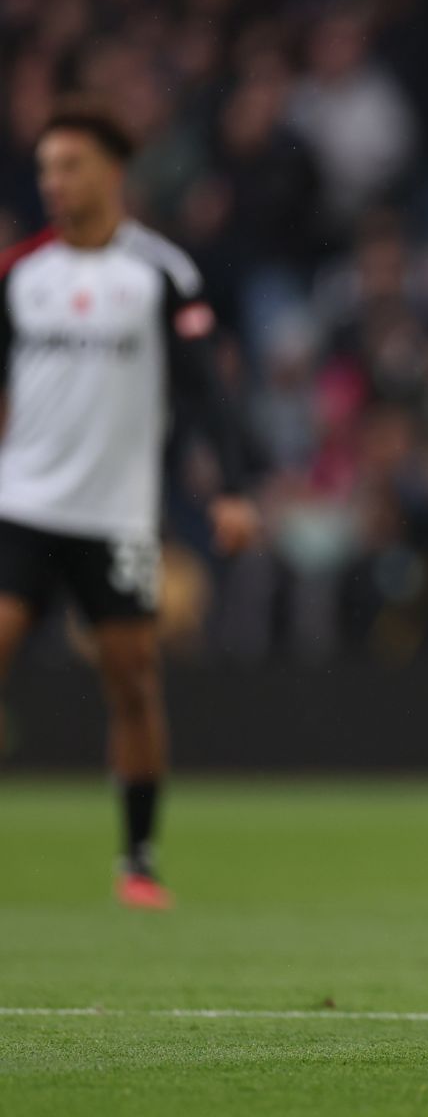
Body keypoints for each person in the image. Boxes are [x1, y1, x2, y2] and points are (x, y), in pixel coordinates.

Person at [0, 99, 256, 910]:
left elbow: (206, 388)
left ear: (112, 173)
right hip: (22, 503)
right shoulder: (21, 274)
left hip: (116, 513)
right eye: (45, 168)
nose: (54, 182)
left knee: (133, 682)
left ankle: (138, 860)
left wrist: (233, 489)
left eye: (69, 165)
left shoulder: (160, 273)